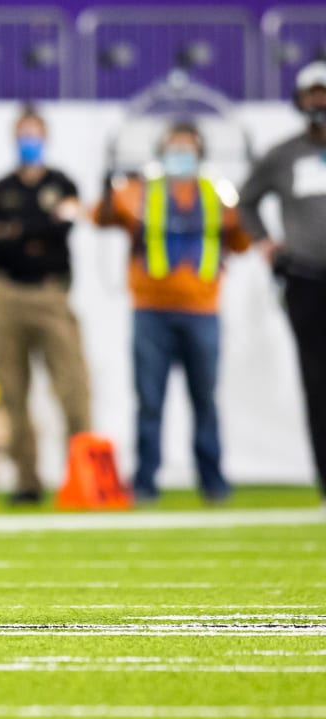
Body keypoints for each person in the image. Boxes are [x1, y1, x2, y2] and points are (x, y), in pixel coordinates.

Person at [94, 120, 250, 504]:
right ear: (161, 151)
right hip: (151, 311)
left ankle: (213, 482)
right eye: (173, 146)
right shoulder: (141, 191)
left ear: (200, 152)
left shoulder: (219, 194)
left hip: (202, 310)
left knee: (205, 400)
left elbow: (242, 239)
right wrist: (108, 181)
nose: (180, 154)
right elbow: (102, 215)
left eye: (187, 146)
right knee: (149, 400)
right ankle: (145, 481)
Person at [0, 105, 90, 505]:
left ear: (46, 137)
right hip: (7, 295)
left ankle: (84, 475)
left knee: (74, 389)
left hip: (51, 293)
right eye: (23, 133)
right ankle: (27, 480)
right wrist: (38, 225)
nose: (29, 141)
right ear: (14, 137)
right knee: (12, 392)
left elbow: (65, 225)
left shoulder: (63, 182)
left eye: (35, 133)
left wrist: (17, 230)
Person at [237, 60, 326, 502]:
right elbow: (245, 202)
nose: (320, 102)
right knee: (317, 381)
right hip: (307, 278)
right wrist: (265, 244)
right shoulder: (284, 154)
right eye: (313, 93)